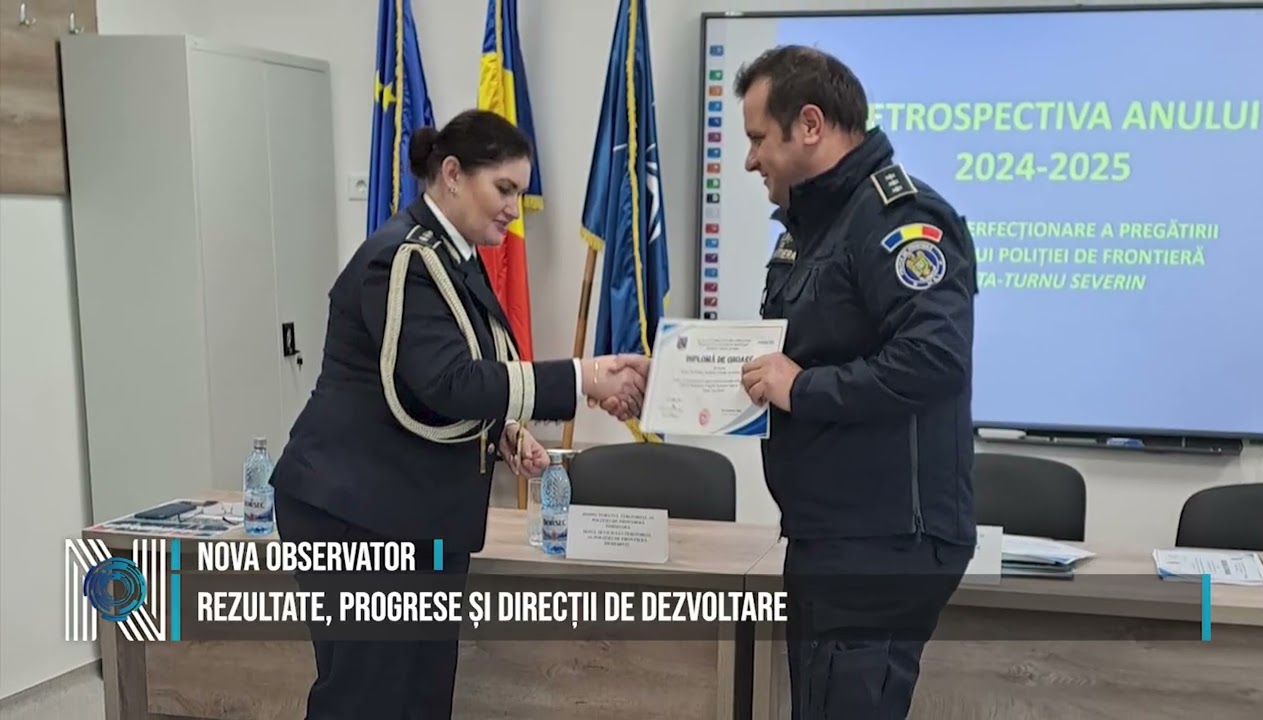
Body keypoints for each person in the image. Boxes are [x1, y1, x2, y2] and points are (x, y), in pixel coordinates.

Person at [269, 108, 648, 719]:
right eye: (504, 189)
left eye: (519, 193)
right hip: (356, 516)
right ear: (451, 174)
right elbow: (447, 382)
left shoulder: (452, 256)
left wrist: (501, 431)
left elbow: (447, 377)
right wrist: (584, 376)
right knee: (366, 701)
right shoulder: (403, 259)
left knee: (420, 699)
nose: (514, 209)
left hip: (413, 513)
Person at [733, 46, 979, 719]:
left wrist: (801, 389)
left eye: (758, 138)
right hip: (833, 533)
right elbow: (798, 354)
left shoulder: (895, 219)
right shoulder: (814, 229)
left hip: (883, 540)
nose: (750, 160)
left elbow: (934, 357)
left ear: (810, 125)